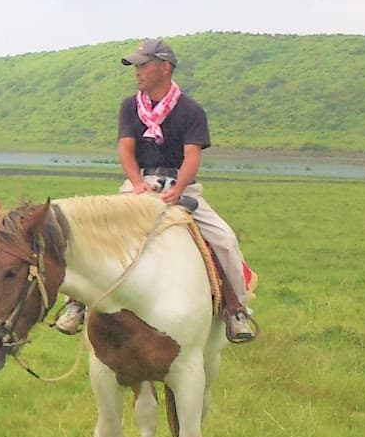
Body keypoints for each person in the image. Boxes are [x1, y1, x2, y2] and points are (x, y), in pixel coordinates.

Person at [54, 38, 257, 342]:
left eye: (143, 65)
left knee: (224, 239)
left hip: (181, 184)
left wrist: (177, 190)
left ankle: (236, 309)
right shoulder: (129, 107)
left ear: (164, 68)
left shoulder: (191, 110)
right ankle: (76, 303)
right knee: (100, 232)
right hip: (139, 183)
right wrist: (136, 183)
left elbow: (192, 156)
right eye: (136, 65)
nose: (137, 71)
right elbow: (125, 149)